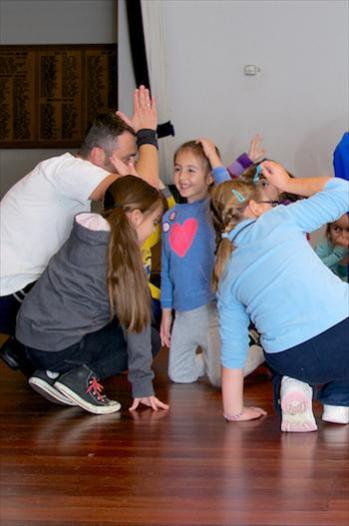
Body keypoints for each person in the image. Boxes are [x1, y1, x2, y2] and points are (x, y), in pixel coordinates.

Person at [0, 86, 158, 338]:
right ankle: (43, 358)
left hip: (23, 291)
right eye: (128, 158)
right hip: (12, 295)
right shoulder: (68, 170)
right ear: (97, 155)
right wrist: (148, 133)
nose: (131, 166)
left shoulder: (70, 178)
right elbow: (145, 194)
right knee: (137, 312)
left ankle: (28, 352)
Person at [210, 161, 349, 431]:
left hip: (292, 359)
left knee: (281, 355)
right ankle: (339, 403)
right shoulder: (280, 218)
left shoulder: (225, 273)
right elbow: (344, 192)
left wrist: (234, 411)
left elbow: (234, 351)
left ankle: (292, 385)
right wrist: (288, 184)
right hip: (344, 338)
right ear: (254, 207)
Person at [15, 175, 169, 415]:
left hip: (27, 342)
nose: (153, 229)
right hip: (57, 348)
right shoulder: (125, 259)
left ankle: (53, 373)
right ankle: (81, 378)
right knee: (150, 338)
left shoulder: (83, 235)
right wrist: (142, 387)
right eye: (155, 222)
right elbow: (136, 328)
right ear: (137, 218)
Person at [160, 139, 264, 386]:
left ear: (208, 178)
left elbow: (228, 189)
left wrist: (212, 156)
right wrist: (166, 314)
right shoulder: (170, 216)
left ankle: (258, 349)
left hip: (211, 310)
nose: (182, 177)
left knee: (219, 379)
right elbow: (166, 268)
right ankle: (211, 359)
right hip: (183, 313)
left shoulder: (212, 208)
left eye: (191, 170)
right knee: (179, 375)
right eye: (177, 169)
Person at [315, 214, 349, 281]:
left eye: (348, 230)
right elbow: (314, 269)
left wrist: (344, 262)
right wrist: (337, 255)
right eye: (337, 229)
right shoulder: (322, 248)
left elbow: (343, 275)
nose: (343, 235)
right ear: (329, 231)